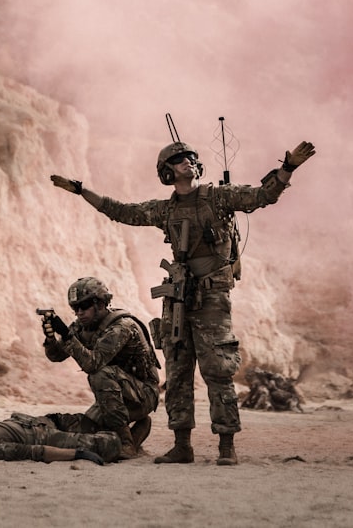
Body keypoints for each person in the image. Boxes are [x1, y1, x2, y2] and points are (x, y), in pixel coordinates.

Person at [50, 138, 315, 465]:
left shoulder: (219, 198)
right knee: (177, 372)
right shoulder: (166, 209)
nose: (187, 161)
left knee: (218, 370)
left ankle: (226, 446)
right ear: (167, 172)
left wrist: (287, 168)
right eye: (178, 159)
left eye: (190, 157)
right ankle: (182, 445)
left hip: (212, 300)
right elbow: (120, 211)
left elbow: (262, 196)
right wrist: (81, 191)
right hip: (177, 301)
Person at [41, 277, 161, 460]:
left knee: (99, 374)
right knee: (88, 429)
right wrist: (50, 340)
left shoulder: (122, 326)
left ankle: (127, 443)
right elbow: (56, 356)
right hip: (120, 394)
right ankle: (139, 428)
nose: (79, 312)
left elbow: (92, 364)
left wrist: (66, 335)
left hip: (144, 394)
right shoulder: (84, 326)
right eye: (75, 308)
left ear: (100, 303)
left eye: (85, 306)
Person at [0, 412, 121, 464]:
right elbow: (33, 451)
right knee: (108, 444)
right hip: (39, 434)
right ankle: (129, 442)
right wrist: (78, 454)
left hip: (33, 422)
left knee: (90, 419)